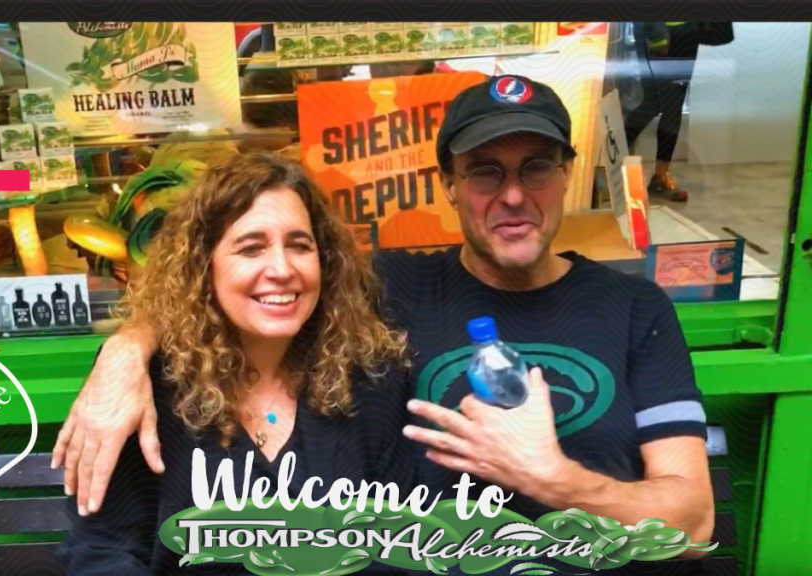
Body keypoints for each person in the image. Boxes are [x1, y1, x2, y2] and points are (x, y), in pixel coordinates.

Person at [55, 75, 715, 572]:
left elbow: (691, 527)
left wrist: (550, 478)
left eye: (536, 167)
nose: (513, 195)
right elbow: (250, 289)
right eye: (485, 171)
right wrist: (124, 352)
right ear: (448, 184)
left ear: (567, 174)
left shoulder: (636, 308)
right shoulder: (387, 287)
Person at [56, 152, 419, 575]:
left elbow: (400, 545)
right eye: (251, 248)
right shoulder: (149, 390)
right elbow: (102, 552)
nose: (282, 269)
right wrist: (122, 349)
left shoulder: (370, 379)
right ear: (203, 265)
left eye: (300, 246)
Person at [622, 22, 735, 202]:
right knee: (654, 103)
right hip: (658, 32)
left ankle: (661, 175)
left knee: (674, 104)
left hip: (687, 32)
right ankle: (612, 157)